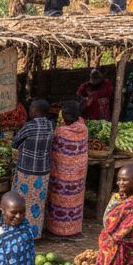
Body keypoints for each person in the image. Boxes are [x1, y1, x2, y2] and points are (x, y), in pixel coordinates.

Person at [10, 99, 54, 239]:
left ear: (36, 111)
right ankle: (34, 233)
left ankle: (20, 233)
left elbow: (15, 142)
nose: (29, 111)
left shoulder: (30, 126)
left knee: (22, 202)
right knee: (37, 204)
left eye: (31, 109)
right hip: (43, 172)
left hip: (27, 172)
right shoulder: (51, 125)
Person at [47, 101, 89, 238]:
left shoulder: (60, 132)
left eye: (64, 114)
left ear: (69, 116)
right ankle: (73, 229)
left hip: (62, 176)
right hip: (78, 175)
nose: (63, 116)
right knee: (75, 201)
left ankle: (58, 230)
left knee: (59, 200)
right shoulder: (83, 128)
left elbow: (53, 149)